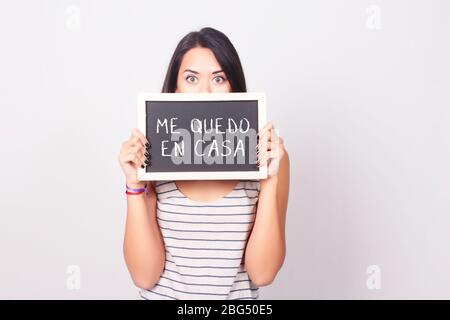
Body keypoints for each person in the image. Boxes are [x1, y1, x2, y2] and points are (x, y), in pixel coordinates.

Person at [118, 27, 290, 300]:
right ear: (175, 88)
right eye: (191, 78)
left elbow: (263, 273)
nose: (205, 91)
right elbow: (144, 275)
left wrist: (269, 180)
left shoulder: (268, 156)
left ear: (234, 86)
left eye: (219, 78)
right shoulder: (153, 153)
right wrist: (134, 186)